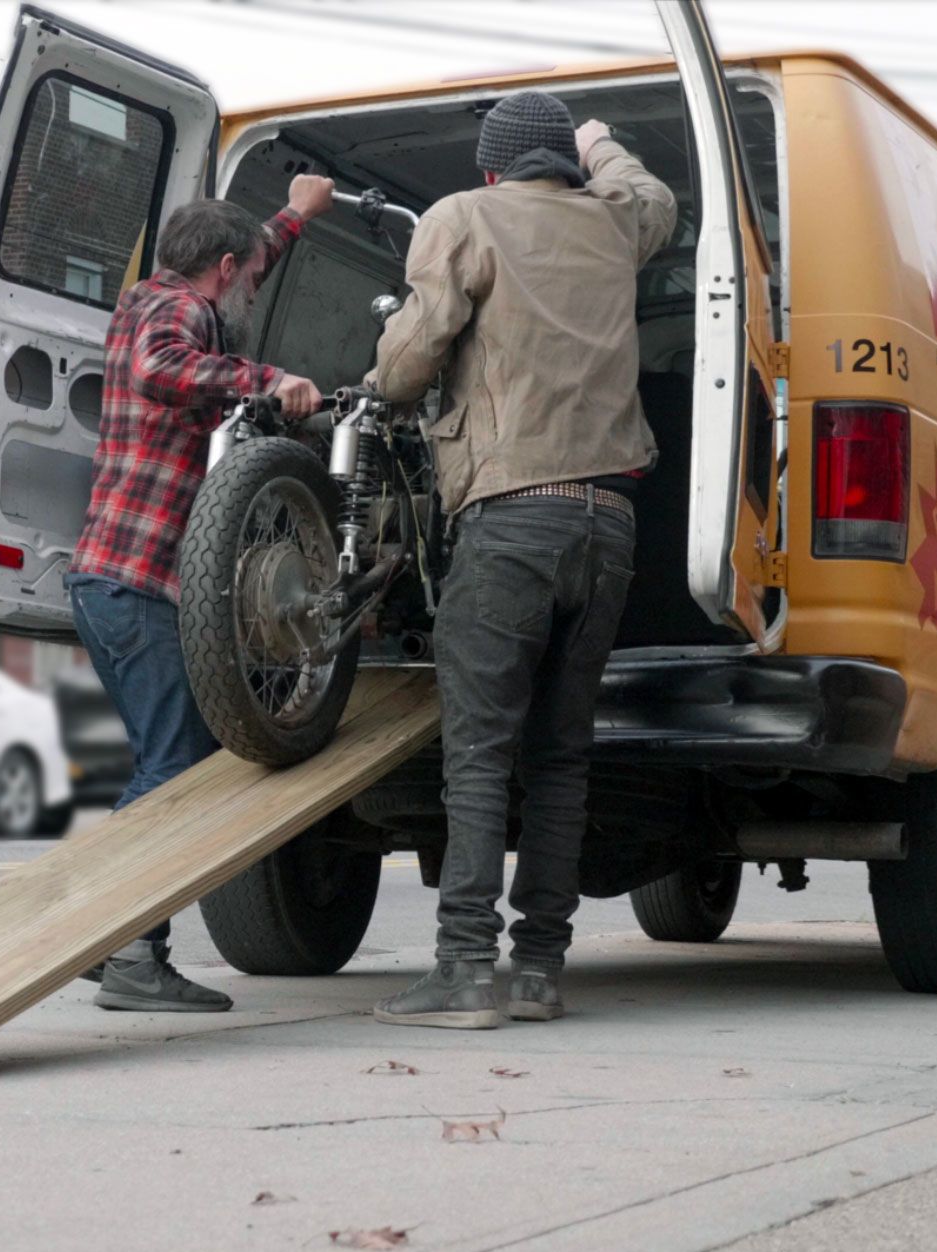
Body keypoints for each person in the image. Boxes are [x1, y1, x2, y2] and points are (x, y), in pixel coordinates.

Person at [366, 91, 677, 1028]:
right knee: (560, 755)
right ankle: (539, 968)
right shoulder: (615, 221)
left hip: (513, 518)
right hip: (609, 524)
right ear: (568, 163)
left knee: (479, 753)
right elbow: (649, 191)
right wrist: (599, 140)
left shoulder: (464, 216)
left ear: (492, 168)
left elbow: (414, 352)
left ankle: (464, 968)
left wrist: (381, 379)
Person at [67, 177, 334, 1013]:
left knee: (166, 760)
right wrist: (272, 377)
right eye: (249, 275)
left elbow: (228, 270)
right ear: (222, 269)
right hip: (140, 582)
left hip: (110, 577)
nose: (252, 286)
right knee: (175, 766)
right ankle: (130, 952)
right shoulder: (177, 318)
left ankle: (104, 935)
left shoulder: (148, 295)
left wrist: (292, 216)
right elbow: (164, 366)